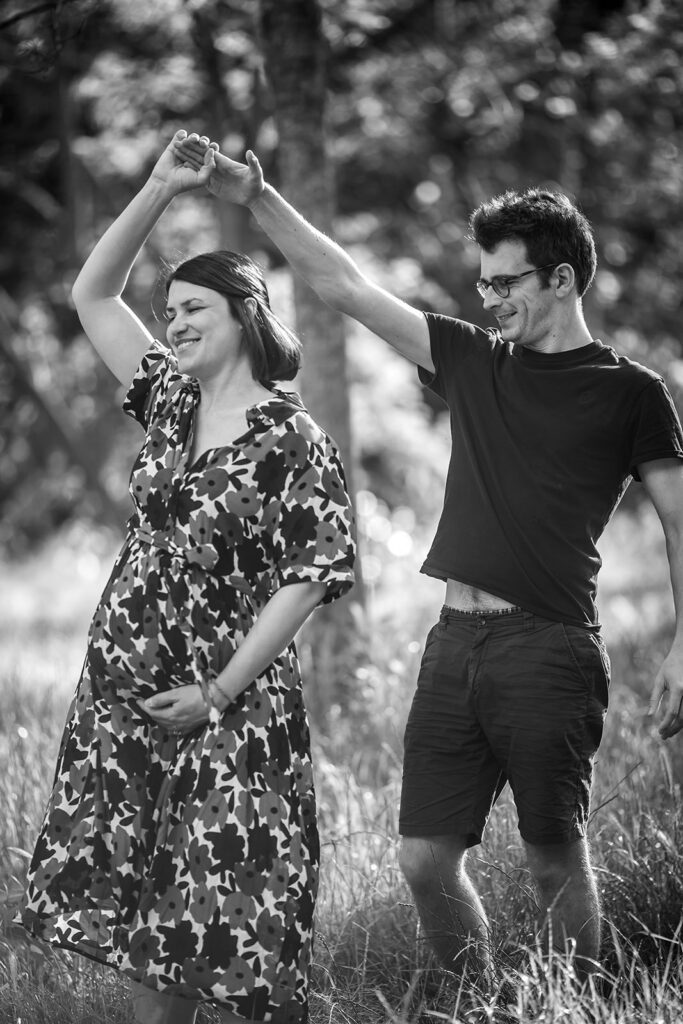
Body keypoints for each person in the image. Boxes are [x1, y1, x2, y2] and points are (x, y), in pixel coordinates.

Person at [173, 132, 683, 989]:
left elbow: (677, 519)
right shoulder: (473, 360)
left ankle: (580, 1005)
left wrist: (681, 643)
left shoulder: (631, 392)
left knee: (554, 856)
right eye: (483, 283)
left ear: (562, 278)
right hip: (454, 642)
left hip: (549, 646)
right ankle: (482, 1000)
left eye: (507, 282)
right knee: (421, 856)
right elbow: (343, 284)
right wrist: (254, 195)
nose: (490, 299)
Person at [20, 131, 355, 1024]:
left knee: (232, 916)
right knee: (147, 924)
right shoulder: (169, 401)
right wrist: (160, 190)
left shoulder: (293, 439)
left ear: (245, 312)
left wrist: (216, 689)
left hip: (229, 702)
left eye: (193, 307)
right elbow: (91, 293)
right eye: (168, 313)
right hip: (127, 699)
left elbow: (310, 576)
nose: (173, 324)